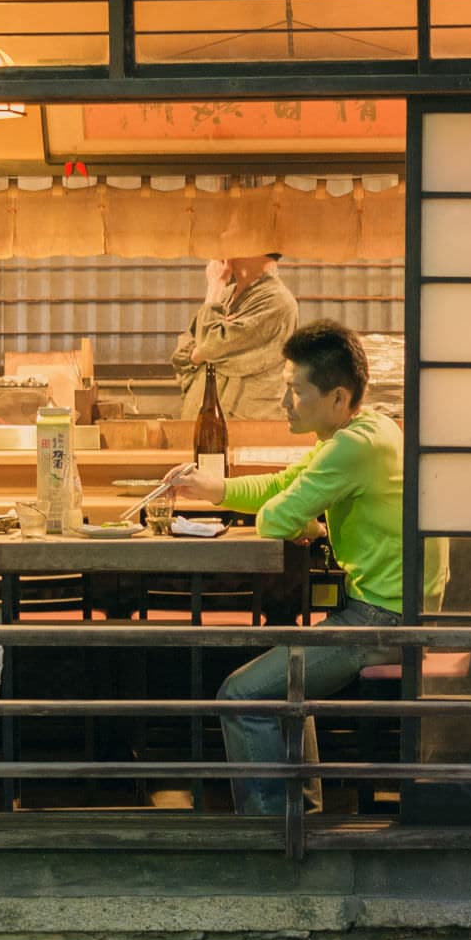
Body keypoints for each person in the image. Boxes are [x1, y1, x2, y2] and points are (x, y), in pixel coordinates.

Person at [164, 319, 434, 816]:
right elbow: (286, 485)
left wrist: (302, 517)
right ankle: (298, 818)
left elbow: (277, 516)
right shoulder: (366, 428)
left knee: (243, 696)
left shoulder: (354, 445)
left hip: (384, 620)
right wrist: (215, 488)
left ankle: (274, 832)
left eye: (294, 391)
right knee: (281, 685)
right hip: (390, 609)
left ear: (336, 397)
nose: (285, 401)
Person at [171, 252, 296, 422]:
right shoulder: (225, 295)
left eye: (231, 239)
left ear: (256, 246)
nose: (220, 249)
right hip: (202, 420)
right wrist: (199, 353)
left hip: (244, 427)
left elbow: (209, 345)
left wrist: (215, 285)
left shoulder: (277, 301)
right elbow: (181, 355)